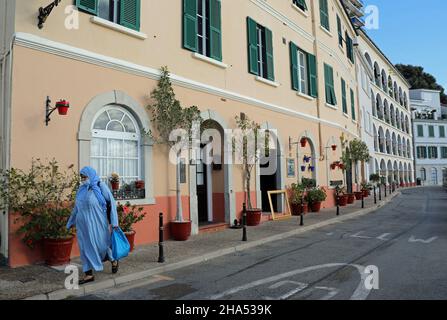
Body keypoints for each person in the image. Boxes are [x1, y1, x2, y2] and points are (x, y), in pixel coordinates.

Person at [67, 167, 120, 285]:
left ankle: (113, 259)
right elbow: (76, 208)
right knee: (84, 248)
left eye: (85, 177)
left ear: (91, 176)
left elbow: (111, 203)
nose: (83, 179)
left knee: (102, 245)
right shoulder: (81, 190)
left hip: (98, 223)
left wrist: (114, 222)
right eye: (81, 177)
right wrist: (70, 222)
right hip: (83, 225)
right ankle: (88, 274)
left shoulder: (101, 187)